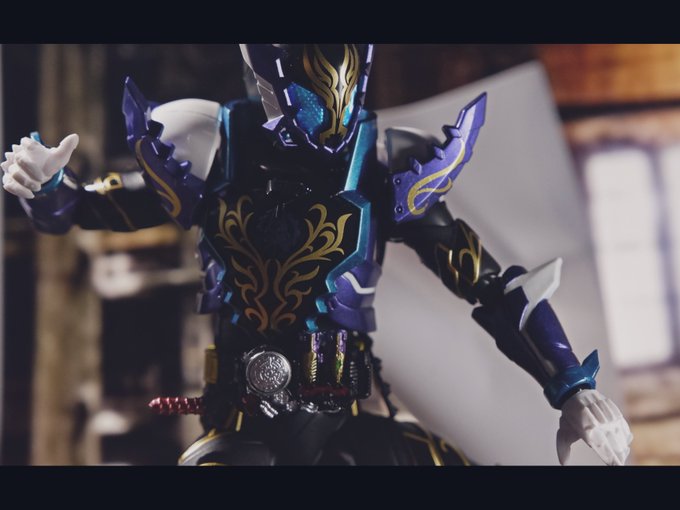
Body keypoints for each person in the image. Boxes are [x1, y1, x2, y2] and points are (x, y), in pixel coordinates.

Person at [2, 44, 632, 465]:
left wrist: (572, 387)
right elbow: (90, 211)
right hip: (240, 424)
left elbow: (486, 283)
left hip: (346, 417)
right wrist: (47, 188)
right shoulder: (207, 141)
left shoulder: (383, 161)